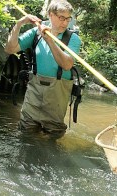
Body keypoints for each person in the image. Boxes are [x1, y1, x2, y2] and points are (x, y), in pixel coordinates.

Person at [5, 0, 81, 139]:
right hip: (34, 90)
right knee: (26, 131)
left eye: (68, 19)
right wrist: (19, 24)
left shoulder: (73, 39)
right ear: (50, 15)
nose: (65, 23)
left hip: (57, 93)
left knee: (53, 134)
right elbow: (10, 49)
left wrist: (49, 40)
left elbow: (67, 65)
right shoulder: (35, 32)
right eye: (61, 18)